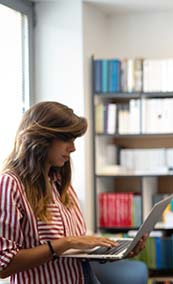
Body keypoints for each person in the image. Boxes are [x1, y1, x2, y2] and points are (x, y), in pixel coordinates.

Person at [0, 101, 146, 284]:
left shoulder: (61, 184)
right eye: (66, 139)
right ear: (42, 139)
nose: (73, 148)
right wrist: (65, 243)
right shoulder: (10, 185)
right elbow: (4, 265)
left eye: (74, 140)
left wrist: (115, 252)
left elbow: (76, 252)